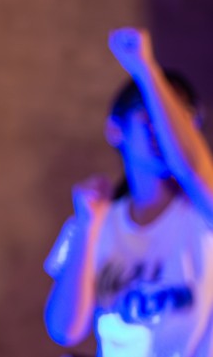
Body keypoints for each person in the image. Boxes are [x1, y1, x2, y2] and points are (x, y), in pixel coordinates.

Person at [44, 27, 213, 356]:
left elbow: (191, 168)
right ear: (115, 128)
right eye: (149, 113)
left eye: (179, 118)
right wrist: (88, 227)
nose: (162, 128)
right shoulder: (93, 219)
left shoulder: (202, 213)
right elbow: (64, 330)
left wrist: (146, 69)